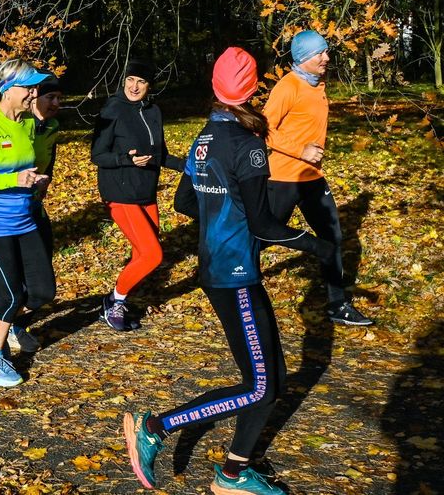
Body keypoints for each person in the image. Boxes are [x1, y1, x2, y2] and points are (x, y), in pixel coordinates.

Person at [123, 47, 339, 495]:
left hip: (220, 266)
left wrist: (220, 213)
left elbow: (185, 202)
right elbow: (264, 224)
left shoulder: (205, 136)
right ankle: (157, 427)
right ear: (253, 88)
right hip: (233, 274)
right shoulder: (248, 146)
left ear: (217, 87)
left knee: (270, 378)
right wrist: (318, 246)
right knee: (261, 386)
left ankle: (235, 473)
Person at [262, 30, 373, 326]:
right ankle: (229, 272)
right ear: (302, 58)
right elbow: (262, 128)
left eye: (326, 52)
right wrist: (300, 149)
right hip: (284, 177)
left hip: (312, 177)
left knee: (333, 236)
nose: (326, 58)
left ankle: (338, 305)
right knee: (263, 236)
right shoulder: (288, 87)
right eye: (319, 54)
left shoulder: (318, 83)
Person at [0, 58, 54, 387]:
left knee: (43, 290)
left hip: (23, 219)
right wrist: (13, 179)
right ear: (7, 90)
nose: (35, 93)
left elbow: (23, 167)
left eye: (35, 86)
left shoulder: (28, 122)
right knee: (13, 295)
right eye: (28, 87)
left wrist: (35, 180)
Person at [91, 59, 184, 331]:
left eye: (141, 82)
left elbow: (160, 153)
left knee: (141, 254)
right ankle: (114, 301)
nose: (135, 86)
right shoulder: (112, 109)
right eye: (131, 80)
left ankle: (120, 300)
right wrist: (126, 160)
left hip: (146, 192)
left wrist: (188, 166)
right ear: (124, 81)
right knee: (152, 254)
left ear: (149, 86)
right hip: (119, 192)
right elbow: (97, 155)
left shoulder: (154, 111)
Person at [30, 74, 62, 258]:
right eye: (50, 97)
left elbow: (51, 155)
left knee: (44, 245)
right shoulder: (20, 124)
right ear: (34, 97)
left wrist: (47, 178)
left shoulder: (52, 125)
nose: (56, 103)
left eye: (59, 98)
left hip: (35, 196)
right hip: (12, 199)